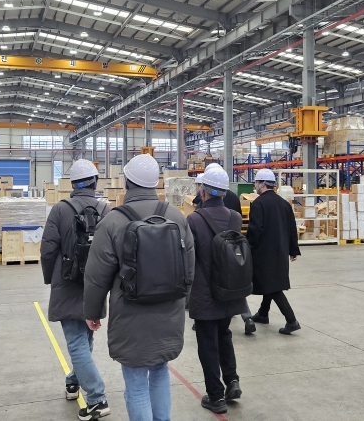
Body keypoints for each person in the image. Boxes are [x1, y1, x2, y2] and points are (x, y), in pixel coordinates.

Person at [84, 154, 196, 421]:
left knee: (135, 382)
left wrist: (93, 312)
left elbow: (97, 275)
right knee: (159, 372)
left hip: (130, 314)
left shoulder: (112, 221)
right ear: (156, 183)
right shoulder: (176, 217)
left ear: (127, 182)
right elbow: (190, 268)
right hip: (168, 311)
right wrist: (183, 302)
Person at [41, 160, 111, 420]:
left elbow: (48, 249)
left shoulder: (60, 210)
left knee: (77, 343)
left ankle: (97, 398)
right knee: (85, 339)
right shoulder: (105, 210)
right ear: (95, 182)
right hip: (95, 283)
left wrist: (51, 278)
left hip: (67, 282)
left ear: (72, 184)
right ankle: (74, 380)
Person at [187, 167, 246, 414]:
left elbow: (189, 258)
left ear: (203, 191)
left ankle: (215, 396)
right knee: (224, 335)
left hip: (204, 293)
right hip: (229, 290)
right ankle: (232, 381)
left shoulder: (194, 220)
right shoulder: (235, 217)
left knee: (207, 344)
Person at [247, 168, 301, 335]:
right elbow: (292, 229)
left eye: (257, 182)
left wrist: (247, 248)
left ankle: (291, 320)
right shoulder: (284, 204)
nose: (255, 186)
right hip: (280, 252)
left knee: (273, 287)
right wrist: (293, 250)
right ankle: (263, 313)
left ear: (262, 184)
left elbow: (255, 231)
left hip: (264, 253)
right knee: (271, 283)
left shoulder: (258, 204)